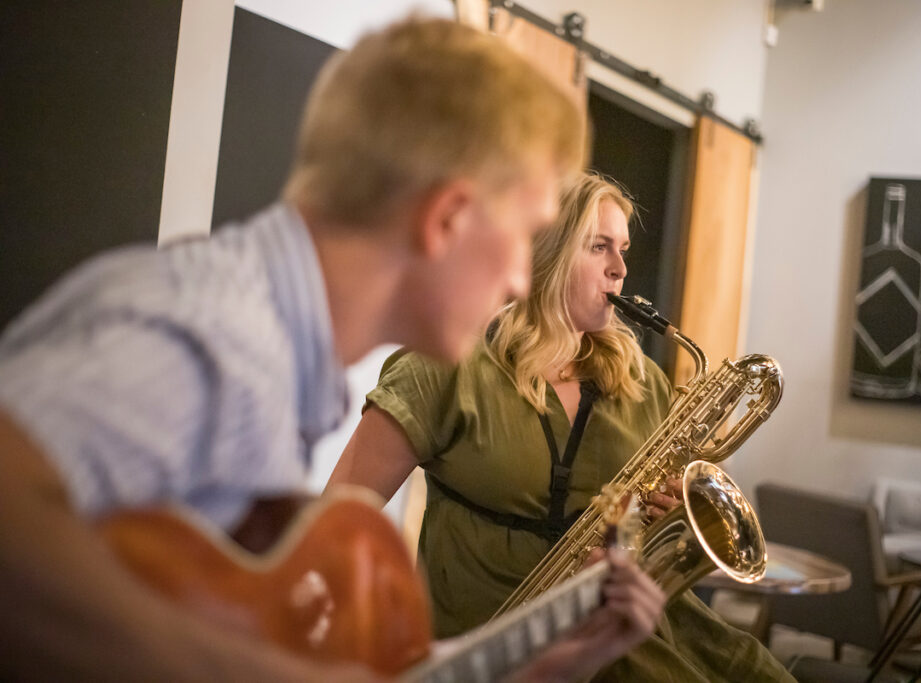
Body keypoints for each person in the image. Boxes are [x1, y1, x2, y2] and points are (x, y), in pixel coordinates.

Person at [0, 19, 665, 681]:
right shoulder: (220, 336)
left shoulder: (277, 365)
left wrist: (546, 664)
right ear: (446, 220)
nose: (523, 277)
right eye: (524, 234)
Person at [330, 172, 797, 681]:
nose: (620, 269)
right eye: (599, 247)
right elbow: (333, 518)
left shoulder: (646, 383)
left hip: (633, 623)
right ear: (547, 254)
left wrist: (666, 514)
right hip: (506, 644)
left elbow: (649, 517)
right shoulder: (445, 366)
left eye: (623, 249)